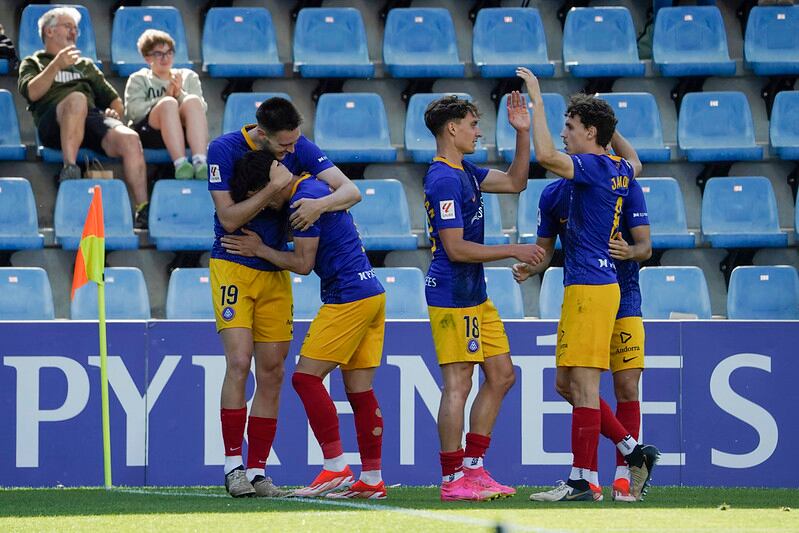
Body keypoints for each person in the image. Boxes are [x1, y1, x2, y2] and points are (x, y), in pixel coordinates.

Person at [515, 67, 659, 503]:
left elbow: (543, 155)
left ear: (591, 133)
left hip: (594, 287)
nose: (563, 134)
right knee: (569, 384)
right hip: (587, 286)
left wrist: (537, 97)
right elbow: (633, 161)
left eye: (570, 127)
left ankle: (586, 477)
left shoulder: (595, 166)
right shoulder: (614, 168)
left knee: (586, 386)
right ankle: (630, 455)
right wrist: (529, 265)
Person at [207, 96, 361, 498]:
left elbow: (350, 190)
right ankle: (232, 465)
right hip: (233, 265)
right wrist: (273, 188)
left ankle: (258, 472)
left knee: (273, 372)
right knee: (239, 361)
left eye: (295, 143)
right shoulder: (223, 149)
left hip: (275, 271)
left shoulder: (299, 145)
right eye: (284, 146)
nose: (293, 151)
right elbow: (228, 218)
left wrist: (317, 206)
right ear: (261, 134)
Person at [222, 149, 387, 499]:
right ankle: (372, 479)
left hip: (347, 294)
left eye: (259, 199)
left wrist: (260, 250)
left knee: (305, 377)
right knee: (359, 391)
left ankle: (335, 465)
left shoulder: (302, 202)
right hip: (371, 291)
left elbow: (302, 263)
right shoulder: (316, 187)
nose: (264, 208)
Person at [422, 93, 545, 502]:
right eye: (473, 124)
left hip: (475, 294)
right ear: (452, 128)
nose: (478, 131)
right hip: (452, 294)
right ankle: (451, 477)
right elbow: (455, 248)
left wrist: (523, 133)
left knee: (502, 375)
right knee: (458, 383)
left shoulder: (467, 172)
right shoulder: (442, 178)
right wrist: (512, 249)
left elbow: (515, 182)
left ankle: (473, 468)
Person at [17, 7, 149, 228]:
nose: (74, 32)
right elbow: (32, 92)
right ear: (49, 32)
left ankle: (142, 208)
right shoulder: (34, 62)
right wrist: (56, 64)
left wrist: (114, 111)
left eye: (76, 29)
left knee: (130, 138)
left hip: (90, 118)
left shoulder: (85, 65)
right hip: (54, 122)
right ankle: (69, 168)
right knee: (77, 98)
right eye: (68, 26)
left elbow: (114, 100)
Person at [124, 29, 208, 180]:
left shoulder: (188, 76)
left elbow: (201, 109)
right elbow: (133, 113)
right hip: (151, 134)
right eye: (158, 54)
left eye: (169, 52)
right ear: (147, 57)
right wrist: (165, 97)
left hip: (185, 133)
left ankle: (200, 162)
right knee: (168, 104)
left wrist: (180, 93)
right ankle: (181, 164)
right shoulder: (138, 78)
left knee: (192, 100)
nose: (165, 58)